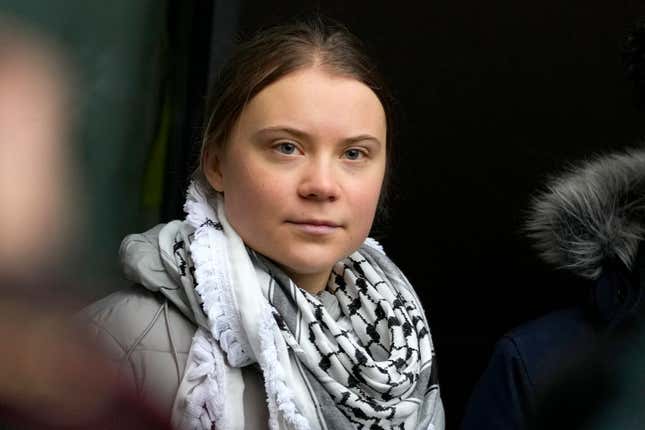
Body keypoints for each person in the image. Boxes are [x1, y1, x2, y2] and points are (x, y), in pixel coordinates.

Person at [83, 17, 444, 430]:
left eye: (354, 154)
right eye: (287, 147)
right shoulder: (121, 339)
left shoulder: (400, 343)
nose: (322, 186)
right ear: (216, 164)